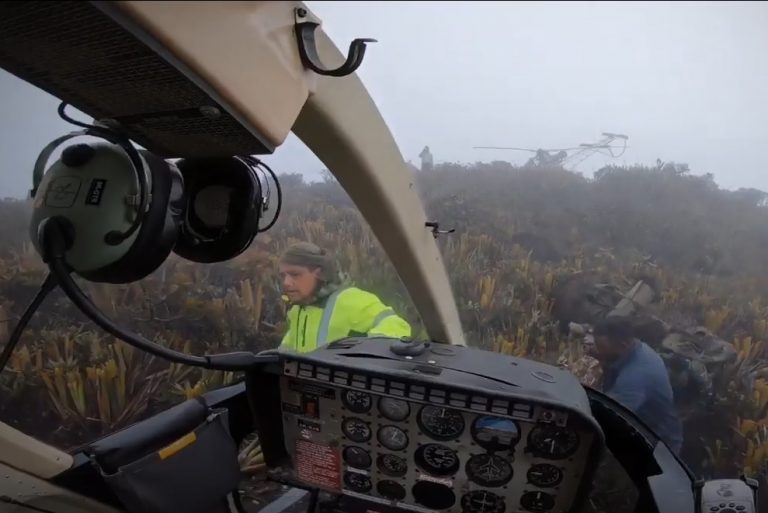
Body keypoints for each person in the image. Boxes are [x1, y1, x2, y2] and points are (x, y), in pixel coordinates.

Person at [277, 242, 412, 353]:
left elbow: (399, 327)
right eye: (283, 276)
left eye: (295, 274)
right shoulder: (299, 311)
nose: (286, 283)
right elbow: (287, 352)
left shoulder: (351, 300)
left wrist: (357, 358)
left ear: (319, 273)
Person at [592, 316, 684, 455]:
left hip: (657, 444)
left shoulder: (636, 377)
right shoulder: (636, 348)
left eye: (601, 348)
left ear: (623, 345)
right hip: (641, 424)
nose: (598, 351)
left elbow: (609, 415)